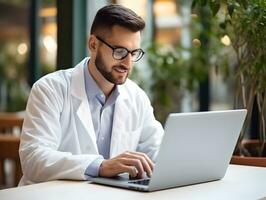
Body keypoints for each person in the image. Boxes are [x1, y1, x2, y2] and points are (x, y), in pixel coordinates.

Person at [19, 4, 164, 185]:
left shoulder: (137, 97)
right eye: (119, 51)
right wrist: (100, 166)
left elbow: (158, 153)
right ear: (93, 44)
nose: (128, 63)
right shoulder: (50, 89)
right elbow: (33, 158)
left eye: (134, 53)